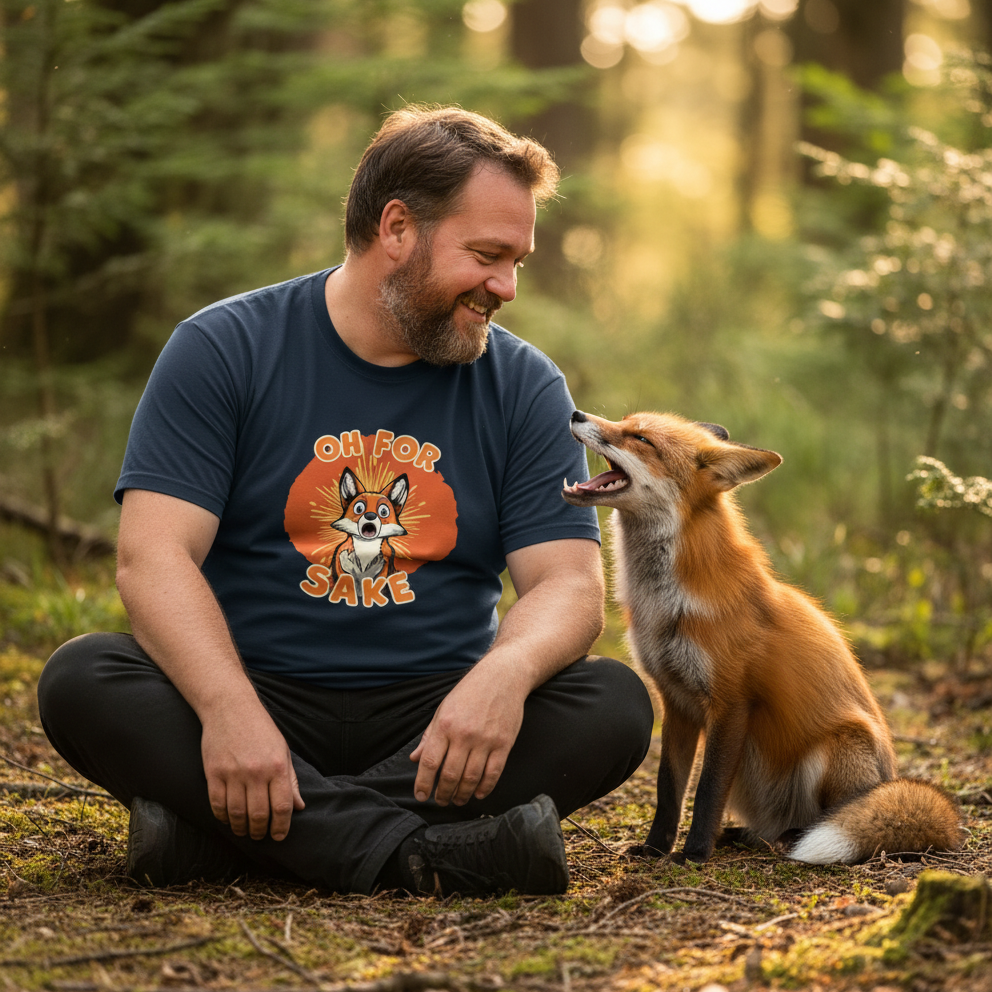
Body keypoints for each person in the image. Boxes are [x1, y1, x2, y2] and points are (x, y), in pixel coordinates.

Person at [38, 105, 654, 897]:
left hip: (437, 725)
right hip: (253, 695)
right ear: (397, 228)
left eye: (517, 263)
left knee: (612, 702)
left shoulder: (525, 384)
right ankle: (427, 857)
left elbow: (568, 586)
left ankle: (230, 843)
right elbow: (152, 558)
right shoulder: (223, 348)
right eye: (487, 255)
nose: (504, 287)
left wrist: (505, 674)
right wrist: (229, 712)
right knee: (83, 678)